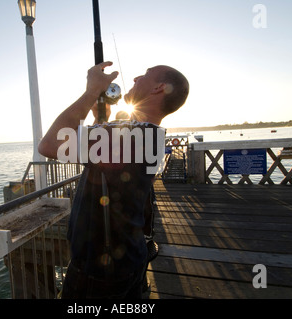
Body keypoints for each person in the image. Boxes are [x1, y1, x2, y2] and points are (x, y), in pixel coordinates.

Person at [38, 61, 189, 299]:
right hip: (129, 256)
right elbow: (110, 169)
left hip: (98, 270)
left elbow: (48, 145)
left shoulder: (126, 138)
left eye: (146, 75)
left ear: (159, 88)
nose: (137, 77)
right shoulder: (151, 135)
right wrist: (101, 122)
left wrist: (91, 93)